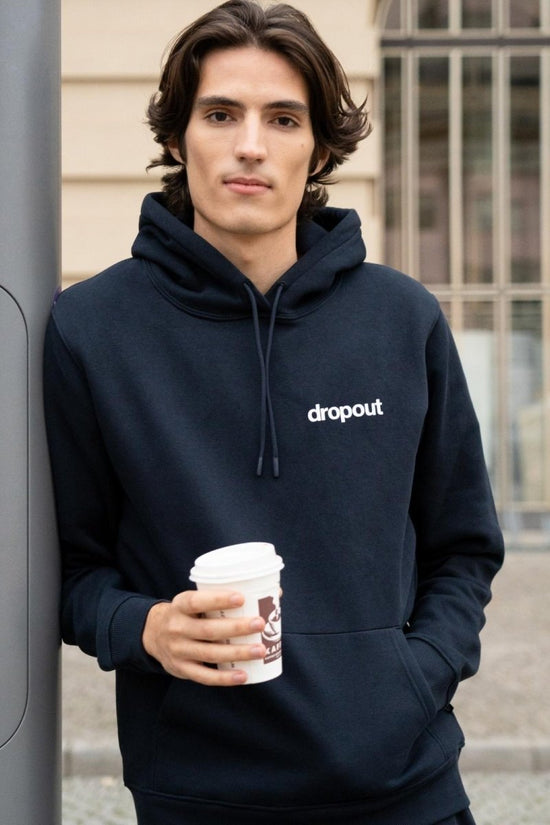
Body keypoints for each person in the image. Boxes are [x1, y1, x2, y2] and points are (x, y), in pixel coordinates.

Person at [43, 2, 504, 823]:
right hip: (199, 793)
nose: (250, 144)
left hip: (407, 790)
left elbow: (463, 545)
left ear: (318, 147)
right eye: (221, 114)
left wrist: (415, 673)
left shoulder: (402, 320)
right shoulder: (91, 330)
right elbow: (70, 571)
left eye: (283, 119)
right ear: (178, 137)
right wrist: (145, 628)